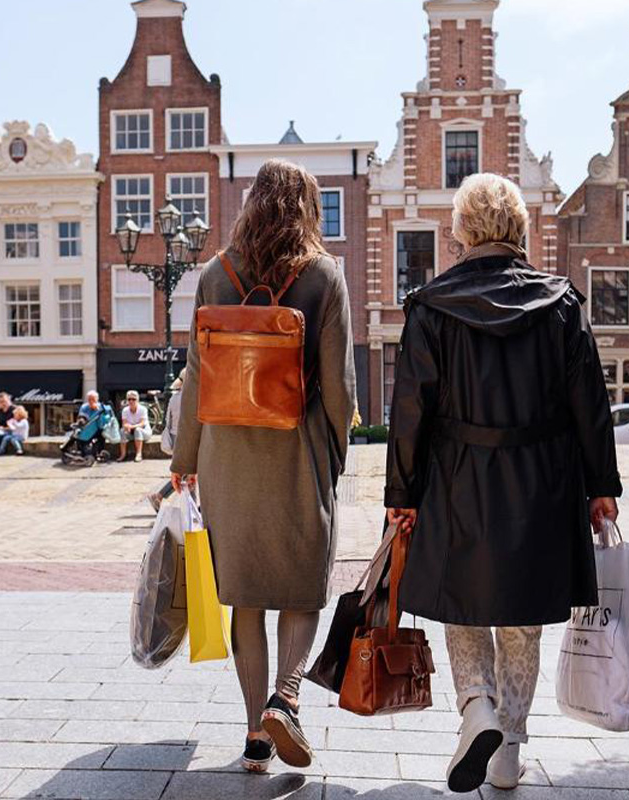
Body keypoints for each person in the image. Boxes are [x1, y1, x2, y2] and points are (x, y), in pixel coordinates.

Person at [384, 173, 621, 793]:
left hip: (456, 480)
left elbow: (409, 409)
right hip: (542, 479)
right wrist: (600, 484)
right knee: (521, 618)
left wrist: (401, 495)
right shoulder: (562, 303)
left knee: (463, 606)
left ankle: (476, 710)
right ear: (520, 228)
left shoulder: (432, 306)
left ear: (461, 231)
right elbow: (589, 402)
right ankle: (510, 746)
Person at [171, 158, 357, 775]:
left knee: (244, 597)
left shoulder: (213, 275)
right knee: (303, 584)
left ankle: (255, 735)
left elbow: (196, 378)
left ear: (250, 203)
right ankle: (289, 694)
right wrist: (334, 454)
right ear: (307, 206)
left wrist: (185, 460)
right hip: (297, 452)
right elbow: (341, 389)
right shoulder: (324, 275)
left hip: (226, 453)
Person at [148, 371, 185, 511]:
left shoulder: (174, 398)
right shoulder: (190, 397)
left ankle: (191, 506)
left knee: (183, 471)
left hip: (175, 436)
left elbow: (167, 420)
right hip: (185, 438)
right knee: (186, 470)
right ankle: (160, 495)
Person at [118, 390, 151, 463]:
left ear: (137, 400)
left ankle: (139, 454)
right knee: (122, 431)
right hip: (131, 432)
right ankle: (123, 454)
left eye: (133, 399)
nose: (131, 401)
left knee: (138, 430)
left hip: (144, 432)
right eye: (129, 399)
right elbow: (124, 423)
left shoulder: (143, 409)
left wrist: (131, 427)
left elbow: (142, 423)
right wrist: (127, 427)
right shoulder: (125, 410)